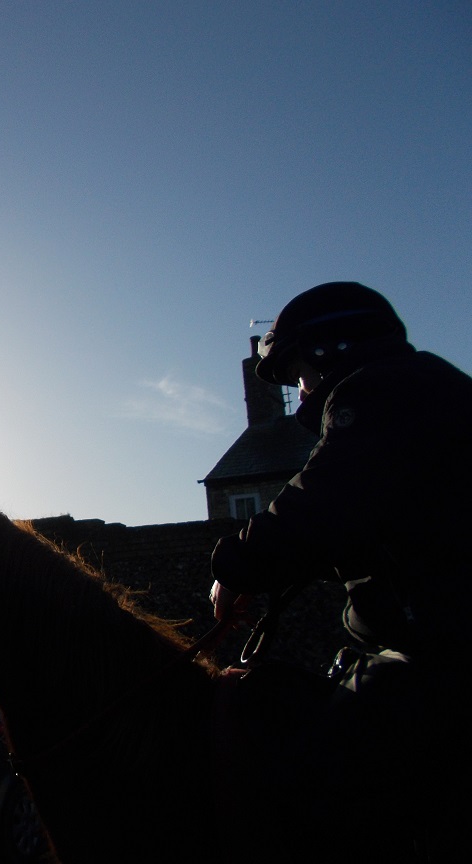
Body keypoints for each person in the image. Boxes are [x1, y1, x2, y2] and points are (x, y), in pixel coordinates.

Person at [208, 281, 472, 859]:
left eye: (300, 374)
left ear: (333, 352)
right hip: (441, 643)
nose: (301, 391)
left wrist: (234, 567)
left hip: (445, 657)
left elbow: (320, 502)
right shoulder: (427, 386)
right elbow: (387, 527)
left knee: (319, 773)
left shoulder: (377, 392)